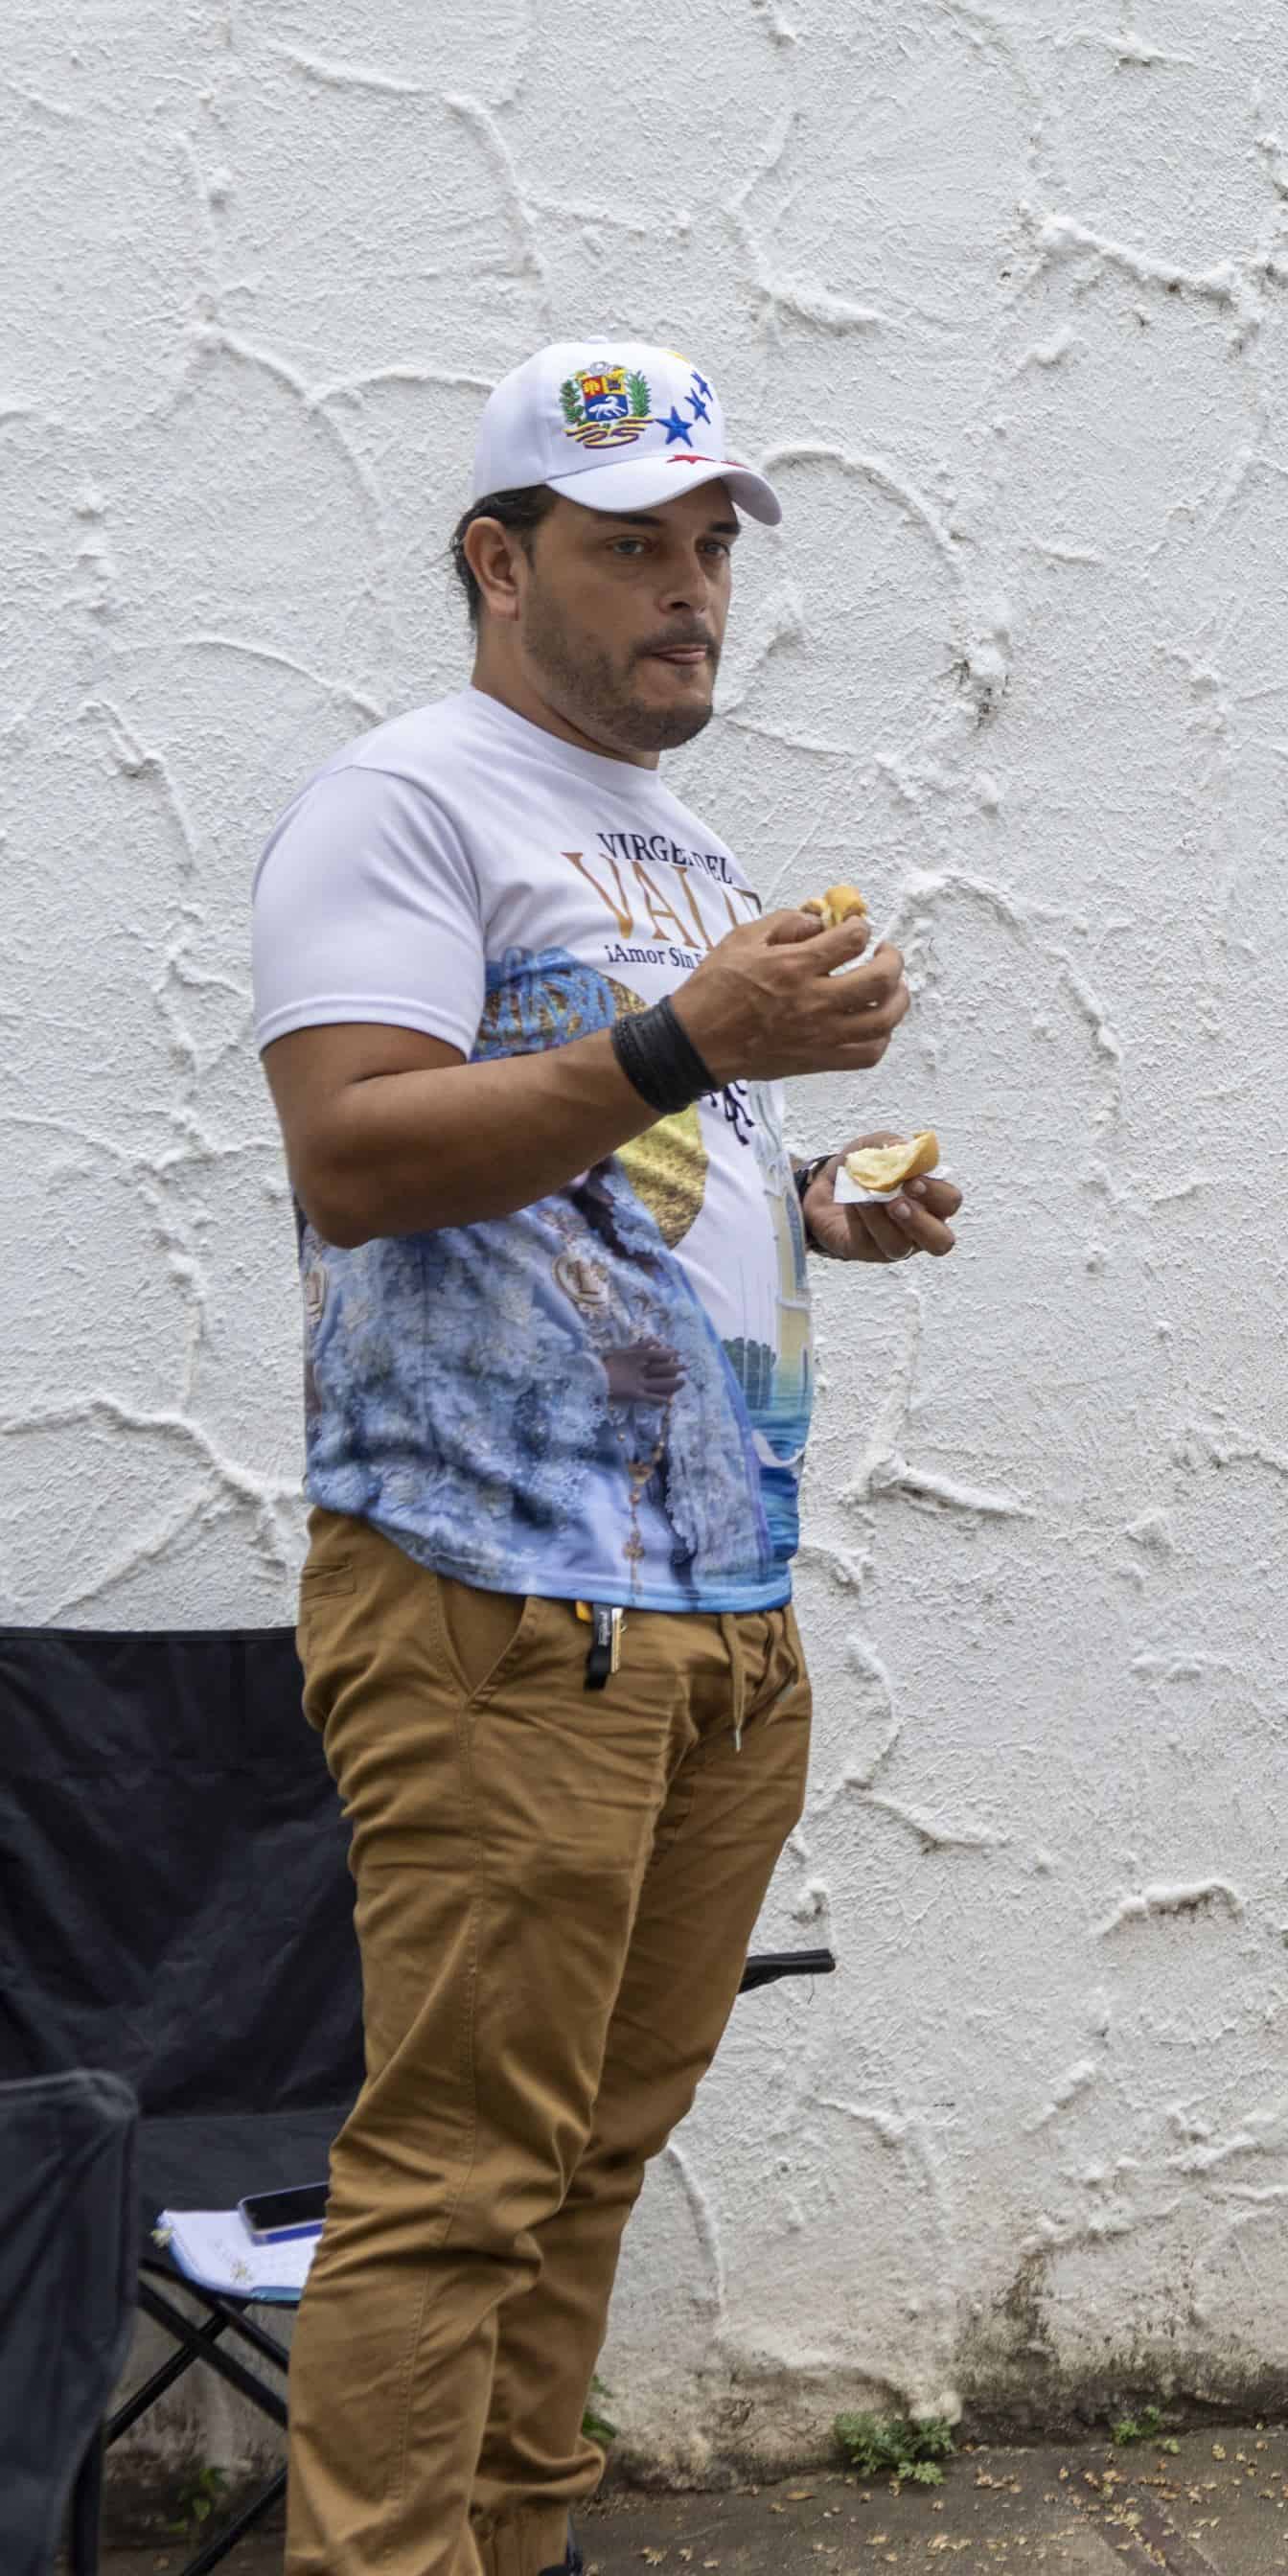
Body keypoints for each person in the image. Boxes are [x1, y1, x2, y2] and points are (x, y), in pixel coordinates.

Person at [250, 340, 967, 2576]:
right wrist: (687, 1035)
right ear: (497, 562)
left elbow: (615, 1168)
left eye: (711, 545)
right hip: (498, 1602)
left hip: (704, 1614)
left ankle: (515, 2545)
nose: (690, 593)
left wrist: (816, 1194)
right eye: (628, 548)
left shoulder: (669, 839)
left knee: (591, 2156)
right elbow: (358, 1151)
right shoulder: (409, 803)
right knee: (462, 2174)